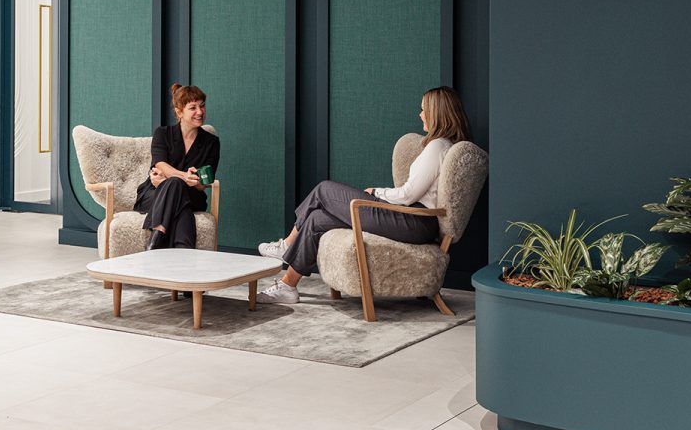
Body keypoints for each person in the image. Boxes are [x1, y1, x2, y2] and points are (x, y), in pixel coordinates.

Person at [256, 86, 470, 304]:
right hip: (412, 220)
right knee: (317, 219)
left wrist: (378, 192)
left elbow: (408, 195)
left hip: (414, 221)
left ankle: (287, 246)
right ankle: (287, 286)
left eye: (424, 109)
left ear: (437, 113)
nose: (420, 114)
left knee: (323, 189)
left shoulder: (437, 147)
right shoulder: (442, 146)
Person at [134, 83, 220, 250]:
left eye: (202, 106)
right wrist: (182, 177)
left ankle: (157, 237)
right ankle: (184, 253)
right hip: (153, 194)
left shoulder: (211, 142)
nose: (200, 112)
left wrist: (195, 183)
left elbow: (204, 183)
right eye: (193, 108)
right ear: (179, 112)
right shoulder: (162, 134)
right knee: (178, 193)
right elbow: (160, 163)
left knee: (174, 185)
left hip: (191, 195)